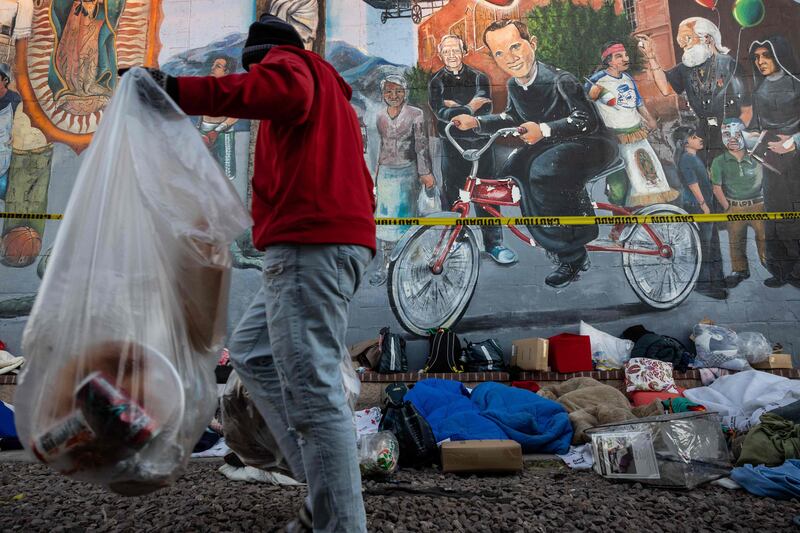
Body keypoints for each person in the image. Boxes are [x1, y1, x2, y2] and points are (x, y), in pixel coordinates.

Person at [123, 15, 375, 532]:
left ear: (260, 58)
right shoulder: (331, 93)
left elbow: (279, 88)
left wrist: (173, 89)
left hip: (310, 246)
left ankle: (337, 521)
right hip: (326, 243)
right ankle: (325, 482)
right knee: (254, 352)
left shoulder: (291, 67)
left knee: (314, 391)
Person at [452, 19, 617, 288]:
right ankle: (545, 234)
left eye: (515, 46)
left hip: (592, 144)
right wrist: (478, 123)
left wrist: (543, 129)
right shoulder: (515, 86)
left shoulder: (561, 79)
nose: (510, 58)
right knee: (510, 172)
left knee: (543, 170)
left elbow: (586, 120)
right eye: (500, 53)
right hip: (553, 146)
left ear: (533, 43)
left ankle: (573, 252)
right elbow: (512, 118)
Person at [428, 34, 517, 265]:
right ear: (441, 54)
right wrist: (468, 107)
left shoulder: (479, 77)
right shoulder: (436, 82)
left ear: (463, 51)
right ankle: (455, 241)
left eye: (455, 50)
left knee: (486, 193)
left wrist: (456, 108)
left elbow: (484, 106)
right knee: (453, 194)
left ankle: (494, 244)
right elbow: (440, 112)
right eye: (446, 51)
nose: (451, 55)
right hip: (453, 145)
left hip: (482, 144)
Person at [638, 17, 751, 163]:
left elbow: (747, 111)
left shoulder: (729, 65)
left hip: (730, 133)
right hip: (703, 133)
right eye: (681, 40)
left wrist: (735, 138)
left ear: (707, 38)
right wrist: (651, 57)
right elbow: (665, 88)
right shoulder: (686, 68)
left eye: (687, 38)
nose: (683, 44)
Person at [586, 40, 677, 207]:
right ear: (609, 61)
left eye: (626, 55)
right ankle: (620, 220)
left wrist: (649, 119)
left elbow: (638, 102)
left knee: (648, 173)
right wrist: (591, 94)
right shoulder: (597, 80)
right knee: (619, 185)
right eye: (619, 56)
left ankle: (652, 215)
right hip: (615, 138)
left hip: (637, 133)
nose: (625, 58)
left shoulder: (627, 78)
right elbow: (585, 102)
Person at [744, 35, 800, 288]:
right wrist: (747, 135)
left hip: (796, 160)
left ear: (780, 56)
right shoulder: (760, 89)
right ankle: (780, 270)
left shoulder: (797, 85)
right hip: (771, 162)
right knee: (774, 215)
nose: (760, 62)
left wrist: (793, 142)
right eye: (757, 57)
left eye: (766, 56)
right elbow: (757, 125)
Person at [370, 74, 435, 286]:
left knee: (408, 221)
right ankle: (386, 265)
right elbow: (376, 148)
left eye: (398, 91)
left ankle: (410, 264)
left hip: (408, 173)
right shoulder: (379, 116)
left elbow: (421, 145)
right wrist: (374, 177)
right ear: (383, 94)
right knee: (384, 223)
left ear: (405, 92)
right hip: (386, 175)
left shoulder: (416, 114)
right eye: (388, 91)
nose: (393, 95)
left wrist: (425, 173)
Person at [710, 118, 766, 289]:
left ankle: (771, 266)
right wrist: (727, 207)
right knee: (735, 240)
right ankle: (740, 270)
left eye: (737, 133)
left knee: (764, 238)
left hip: (759, 205)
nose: (732, 138)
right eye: (727, 134)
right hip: (735, 206)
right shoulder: (719, 161)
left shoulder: (756, 156)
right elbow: (716, 187)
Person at [672, 126, 726, 299]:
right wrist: (703, 204)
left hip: (704, 203)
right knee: (704, 245)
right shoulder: (687, 159)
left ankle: (716, 279)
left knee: (712, 243)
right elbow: (692, 183)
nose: (699, 139)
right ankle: (704, 284)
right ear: (685, 143)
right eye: (694, 137)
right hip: (697, 205)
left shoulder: (693, 157)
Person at [196, 56, 239, 180]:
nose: (212, 68)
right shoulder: (208, 88)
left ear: (227, 72)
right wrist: (198, 129)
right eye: (213, 65)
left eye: (218, 66)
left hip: (222, 134)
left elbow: (235, 115)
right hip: (204, 132)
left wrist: (217, 130)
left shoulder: (232, 90)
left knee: (226, 174)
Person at [0, 63, 19, 204]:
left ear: (5, 80)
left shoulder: (14, 99)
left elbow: (22, 123)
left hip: (5, 153)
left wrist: (16, 132)